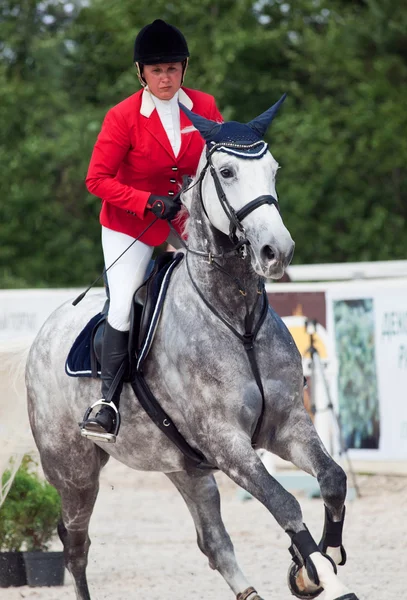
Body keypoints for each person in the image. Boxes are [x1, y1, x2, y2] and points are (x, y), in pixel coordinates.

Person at [81, 19, 222, 441]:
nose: (166, 77)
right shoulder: (123, 117)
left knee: (230, 274)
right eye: (157, 70)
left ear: (184, 69)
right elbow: (96, 180)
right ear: (141, 72)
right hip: (131, 224)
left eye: (173, 68)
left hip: (186, 216)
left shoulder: (203, 106)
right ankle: (107, 402)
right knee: (123, 302)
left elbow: (216, 162)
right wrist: (146, 202)